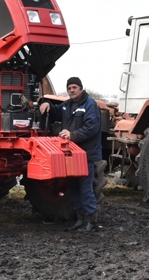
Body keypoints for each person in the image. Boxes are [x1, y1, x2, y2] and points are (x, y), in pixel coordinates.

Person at [38, 77, 103, 232]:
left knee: (85, 188)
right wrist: (46, 104)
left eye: (74, 87)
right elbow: (56, 111)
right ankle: (80, 220)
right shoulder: (67, 105)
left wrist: (72, 135)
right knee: (73, 187)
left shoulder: (90, 105)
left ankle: (92, 222)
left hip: (86, 154)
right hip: (72, 154)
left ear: (81, 88)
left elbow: (91, 128)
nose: (72, 90)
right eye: (69, 88)